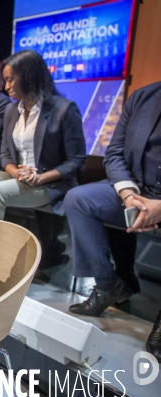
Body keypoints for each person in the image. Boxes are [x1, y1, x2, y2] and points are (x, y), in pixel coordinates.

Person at [65, 81, 161, 321]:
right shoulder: (142, 96)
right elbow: (115, 151)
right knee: (79, 199)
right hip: (136, 190)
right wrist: (128, 194)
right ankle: (108, 284)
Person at [0, 50, 87, 220]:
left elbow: (76, 161)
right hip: (16, 175)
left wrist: (39, 178)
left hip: (50, 184)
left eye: (10, 80)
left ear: (28, 77)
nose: (6, 87)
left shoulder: (64, 109)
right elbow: (5, 154)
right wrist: (17, 173)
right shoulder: (11, 110)